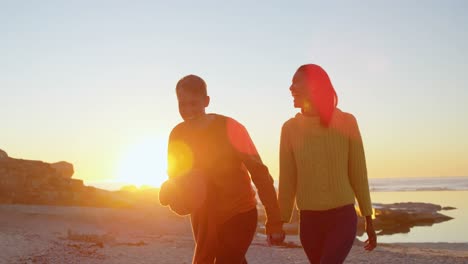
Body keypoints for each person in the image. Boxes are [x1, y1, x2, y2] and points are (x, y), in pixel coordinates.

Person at [159, 74, 285, 264]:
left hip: (239, 213)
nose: (188, 110)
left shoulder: (231, 128)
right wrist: (171, 192)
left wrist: (274, 221)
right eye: (182, 104)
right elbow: (177, 177)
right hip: (204, 219)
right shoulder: (178, 134)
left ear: (206, 101)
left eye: (194, 103)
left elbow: (260, 173)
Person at [278, 64, 377, 263]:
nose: (291, 88)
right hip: (309, 220)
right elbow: (287, 179)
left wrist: (368, 218)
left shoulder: (347, 122)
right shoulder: (290, 129)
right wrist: (279, 222)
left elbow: (358, 173)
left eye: (296, 82)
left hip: (342, 217)